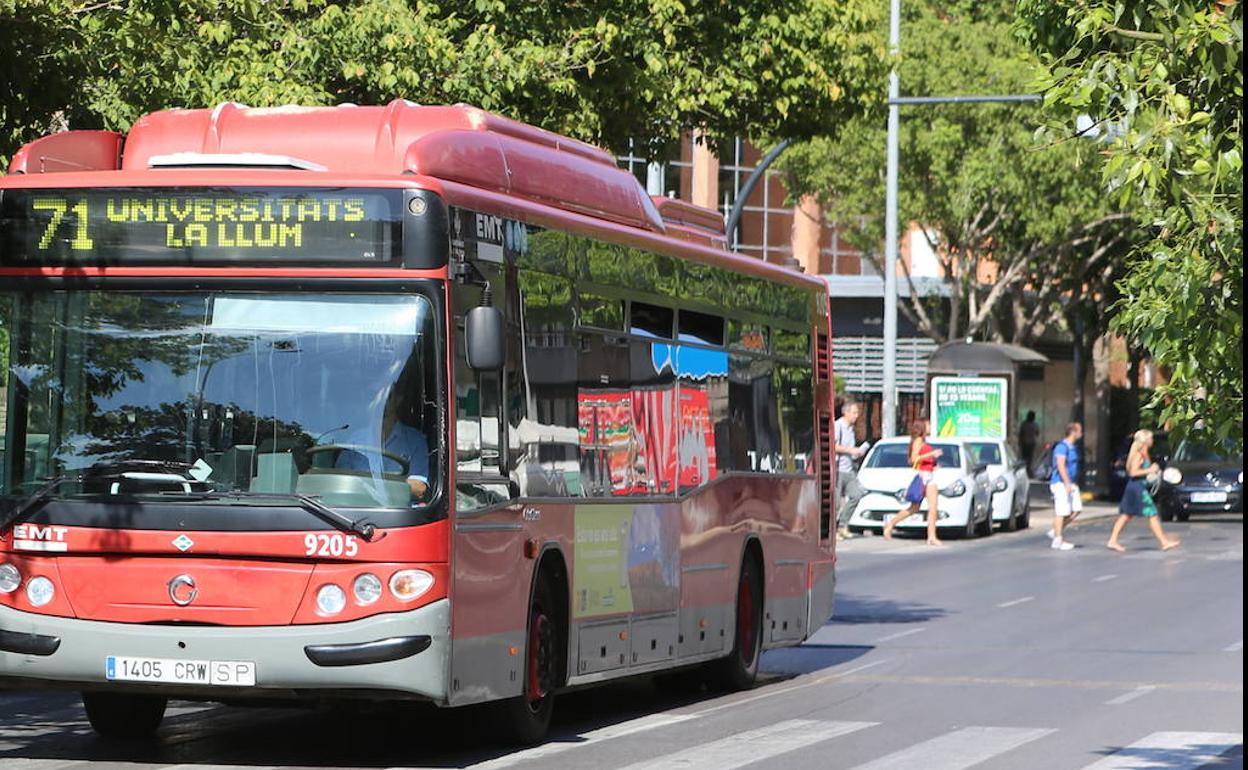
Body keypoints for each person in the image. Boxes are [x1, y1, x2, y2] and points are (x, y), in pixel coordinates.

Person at [335, 384, 430, 500]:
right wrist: (397, 483)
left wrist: (371, 483)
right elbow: (338, 480)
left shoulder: (415, 440)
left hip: (399, 513)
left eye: (387, 396)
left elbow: (419, 488)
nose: (380, 401)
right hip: (355, 508)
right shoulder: (354, 440)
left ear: (398, 400)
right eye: (375, 396)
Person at [1107, 429, 1180, 552]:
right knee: (1152, 513)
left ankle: (1112, 540)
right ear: (1145, 441)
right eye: (1150, 438)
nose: (1152, 441)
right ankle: (1164, 542)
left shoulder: (1143, 453)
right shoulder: (1139, 455)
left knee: (1126, 515)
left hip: (1135, 486)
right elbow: (1133, 472)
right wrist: (1150, 470)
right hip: (1137, 487)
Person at [883, 418, 943, 546]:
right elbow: (914, 459)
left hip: (930, 474)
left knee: (933, 508)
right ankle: (891, 523)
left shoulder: (925, 441)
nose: (930, 427)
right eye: (928, 425)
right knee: (914, 507)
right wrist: (931, 454)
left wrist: (934, 463)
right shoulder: (918, 440)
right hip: (922, 475)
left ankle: (931, 536)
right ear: (922, 427)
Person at [834, 401, 867, 540]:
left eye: (857, 412)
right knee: (835, 502)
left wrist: (857, 453)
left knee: (856, 495)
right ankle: (834, 530)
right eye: (854, 412)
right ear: (845, 412)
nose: (856, 415)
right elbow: (833, 446)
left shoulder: (851, 429)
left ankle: (843, 525)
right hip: (837, 469)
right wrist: (851, 450)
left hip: (849, 469)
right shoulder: (838, 426)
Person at [1048, 421, 1083, 551]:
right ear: (1073, 432)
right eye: (1079, 431)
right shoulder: (1062, 447)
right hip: (1060, 483)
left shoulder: (1072, 447)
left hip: (1071, 482)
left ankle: (1056, 530)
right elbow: (1061, 465)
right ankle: (1058, 540)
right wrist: (1067, 483)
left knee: (1077, 509)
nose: (1081, 433)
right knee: (1062, 511)